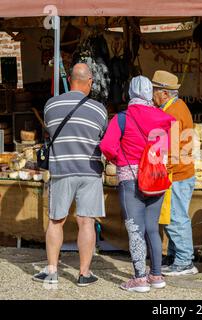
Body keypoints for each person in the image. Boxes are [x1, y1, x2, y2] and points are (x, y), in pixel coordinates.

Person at [33, 63, 107, 286]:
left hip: (62, 170)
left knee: (56, 221)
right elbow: (102, 136)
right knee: (86, 222)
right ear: (89, 82)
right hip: (90, 171)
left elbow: (50, 129)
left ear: (72, 79)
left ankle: (52, 270)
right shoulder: (99, 109)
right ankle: (84, 274)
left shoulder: (51, 105)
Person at [100, 76, 174, 293]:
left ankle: (140, 279)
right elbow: (171, 150)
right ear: (150, 93)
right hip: (157, 179)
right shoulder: (166, 118)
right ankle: (157, 275)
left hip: (130, 178)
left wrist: (118, 159)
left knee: (135, 229)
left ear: (130, 93)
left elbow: (107, 146)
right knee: (152, 228)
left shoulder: (122, 119)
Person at [151, 70, 198, 276]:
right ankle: (174, 257)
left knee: (175, 218)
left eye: (154, 91)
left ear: (163, 93)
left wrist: (162, 171)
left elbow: (172, 150)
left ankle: (185, 261)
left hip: (176, 173)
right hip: (180, 172)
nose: (152, 95)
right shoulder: (177, 107)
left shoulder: (173, 113)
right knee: (174, 216)